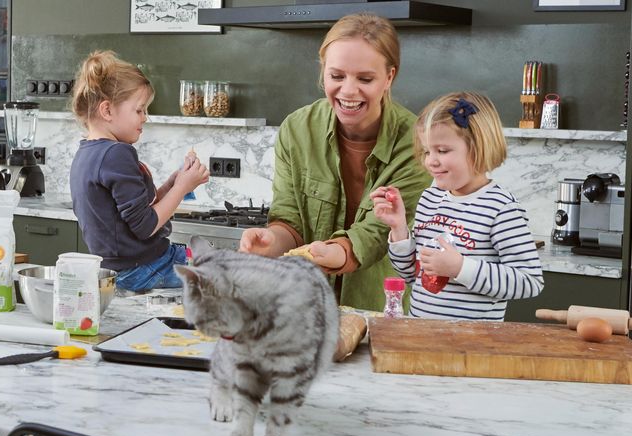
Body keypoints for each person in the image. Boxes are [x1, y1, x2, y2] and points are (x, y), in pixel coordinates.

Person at [239, 14, 432, 311]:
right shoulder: (297, 129)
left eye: (365, 79)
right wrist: (270, 241)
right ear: (323, 72)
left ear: (389, 77)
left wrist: (334, 253)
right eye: (337, 76)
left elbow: (379, 232)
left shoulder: (417, 141)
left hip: (380, 310)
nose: (348, 91)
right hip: (305, 309)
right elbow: (290, 219)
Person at [371, 91, 544, 320]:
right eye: (426, 151)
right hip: (421, 338)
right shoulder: (430, 199)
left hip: (472, 347)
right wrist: (399, 229)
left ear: (478, 147)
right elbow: (410, 274)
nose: (431, 160)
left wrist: (460, 268)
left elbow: (529, 281)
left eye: (442, 150)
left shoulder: (500, 208)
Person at [69, 50, 209, 291]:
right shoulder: (116, 153)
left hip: (122, 271)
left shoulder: (87, 153)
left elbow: (132, 214)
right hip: (146, 268)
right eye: (139, 110)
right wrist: (183, 188)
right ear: (107, 111)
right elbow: (145, 226)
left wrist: (173, 185)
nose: (145, 118)